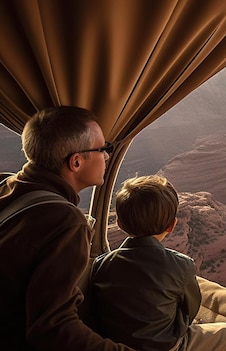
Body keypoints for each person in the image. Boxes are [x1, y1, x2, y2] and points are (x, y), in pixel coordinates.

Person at [0, 106, 135, 350]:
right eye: (102, 149)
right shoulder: (65, 221)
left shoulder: (5, 185)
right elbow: (53, 328)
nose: (106, 156)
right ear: (76, 162)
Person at [90, 175, 226, 351]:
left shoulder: (102, 264)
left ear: (119, 224)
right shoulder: (180, 265)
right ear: (171, 225)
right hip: (168, 347)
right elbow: (189, 310)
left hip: (116, 346)